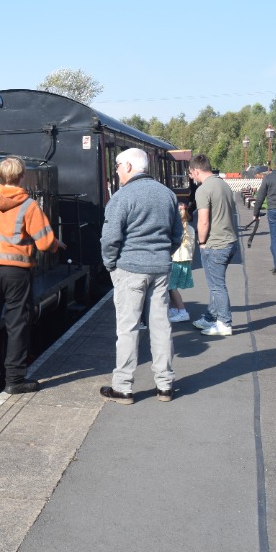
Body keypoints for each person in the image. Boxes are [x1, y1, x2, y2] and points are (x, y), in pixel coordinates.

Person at [0, 155, 65, 394]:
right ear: (22, 176)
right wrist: (56, 245)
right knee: (17, 324)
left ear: (0, 176)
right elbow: (44, 243)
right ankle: (14, 380)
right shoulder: (29, 205)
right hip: (17, 273)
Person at [98, 147, 182, 404]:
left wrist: (110, 264)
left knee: (128, 328)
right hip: (160, 269)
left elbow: (110, 238)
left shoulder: (122, 198)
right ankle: (165, 386)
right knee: (161, 326)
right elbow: (177, 234)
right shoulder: (166, 194)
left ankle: (123, 387)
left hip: (130, 270)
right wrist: (162, 254)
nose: (117, 171)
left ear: (129, 167)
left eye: (118, 166)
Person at [189, 154, 240, 337]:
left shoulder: (203, 190)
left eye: (191, 174)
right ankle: (211, 317)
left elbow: (203, 221)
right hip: (230, 240)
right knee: (215, 284)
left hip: (215, 243)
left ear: (196, 170)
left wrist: (201, 243)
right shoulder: (223, 185)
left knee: (217, 286)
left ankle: (224, 323)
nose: (191, 178)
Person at [167, 202, 195, 323]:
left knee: (171, 287)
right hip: (185, 260)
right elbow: (193, 247)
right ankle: (174, 309)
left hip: (176, 259)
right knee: (172, 286)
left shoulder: (175, 229)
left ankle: (182, 311)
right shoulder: (190, 228)